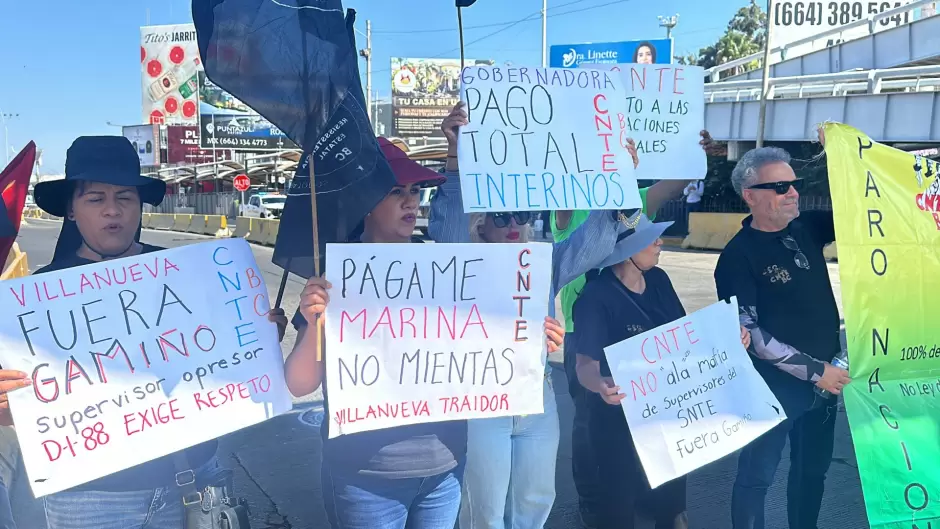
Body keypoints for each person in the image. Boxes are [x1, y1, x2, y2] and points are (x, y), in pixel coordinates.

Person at [283, 137, 565, 529]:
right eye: (396, 192)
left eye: (415, 191)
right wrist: (313, 322)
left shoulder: (447, 268)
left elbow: (484, 339)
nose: (411, 202)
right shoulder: (334, 278)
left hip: (444, 470)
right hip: (366, 478)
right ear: (364, 201)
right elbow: (300, 384)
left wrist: (531, 337)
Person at [0, 136, 282, 529]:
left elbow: (232, 364)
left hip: (196, 480)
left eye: (125, 197)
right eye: (95, 199)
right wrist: (6, 405)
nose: (112, 211)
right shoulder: (35, 298)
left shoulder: (191, 274)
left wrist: (258, 336)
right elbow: (23, 406)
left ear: (139, 205)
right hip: (90, 499)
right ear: (72, 208)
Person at [432, 103, 665, 529]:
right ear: (481, 223)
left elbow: (596, 238)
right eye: (501, 216)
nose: (513, 224)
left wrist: (621, 179)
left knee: (536, 500)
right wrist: (455, 153)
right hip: (481, 400)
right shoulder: (461, 262)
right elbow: (447, 222)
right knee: (483, 510)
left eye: (521, 215)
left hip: (536, 397)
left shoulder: (544, 261)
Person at [554, 132, 712, 529]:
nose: (657, 243)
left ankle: (652, 498)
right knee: (594, 429)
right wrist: (610, 170)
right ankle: (598, 502)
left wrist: (694, 153)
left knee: (648, 428)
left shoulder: (637, 211)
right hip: (584, 329)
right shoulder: (571, 203)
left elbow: (672, 185)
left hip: (644, 347)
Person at [572, 215, 751, 529]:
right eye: (650, 239)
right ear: (627, 250)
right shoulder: (596, 296)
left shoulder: (659, 280)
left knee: (672, 508)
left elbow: (684, 335)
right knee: (618, 507)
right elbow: (584, 365)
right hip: (617, 422)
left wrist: (728, 337)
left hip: (666, 416)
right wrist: (600, 384)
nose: (659, 243)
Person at [713, 145, 850, 529]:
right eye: (780, 186)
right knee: (756, 478)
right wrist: (815, 371)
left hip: (825, 384)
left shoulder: (806, 226)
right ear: (750, 196)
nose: (793, 193)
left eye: (796, 184)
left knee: (812, 473)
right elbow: (751, 333)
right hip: (773, 388)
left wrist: (840, 154)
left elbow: (860, 203)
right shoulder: (737, 258)